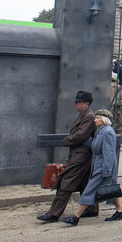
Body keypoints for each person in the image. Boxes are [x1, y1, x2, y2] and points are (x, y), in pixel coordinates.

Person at [38, 91, 99, 223]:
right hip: (81, 154)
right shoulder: (84, 115)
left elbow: (81, 135)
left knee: (66, 181)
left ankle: (54, 213)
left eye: (78, 102)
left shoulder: (88, 116)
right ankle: (92, 208)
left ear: (86, 104)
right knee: (84, 182)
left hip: (81, 155)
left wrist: (67, 140)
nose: (75, 104)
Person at [60, 109, 122, 225]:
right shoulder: (101, 131)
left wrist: (106, 170)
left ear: (105, 119)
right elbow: (96, 147)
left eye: (97, 118)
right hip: (101, 165)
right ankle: (120, 211)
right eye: (95, 118)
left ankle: (76, 216)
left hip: (104, 166)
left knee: (90, 190)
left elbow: (108, 153)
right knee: (111, 188)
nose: (95, 120)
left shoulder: (107, 132)